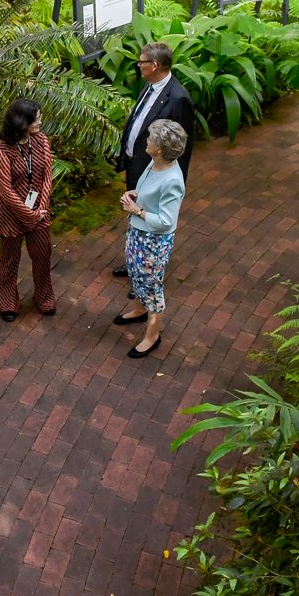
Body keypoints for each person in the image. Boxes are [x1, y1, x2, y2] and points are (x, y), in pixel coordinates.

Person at [111, 41, 194, 278]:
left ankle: (146, 273)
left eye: (142, 62)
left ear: (155, 65)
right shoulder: (150, 84)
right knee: (135, 215)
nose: (138, 65)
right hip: (136, 164)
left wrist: (175, 181)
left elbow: (183, 146)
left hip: (155, 172)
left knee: (149, 220)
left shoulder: (179, 99)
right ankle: (134, 262)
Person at [113, 119, 188, 358]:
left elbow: (166, 221)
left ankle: (152, 336)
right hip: (138, 232)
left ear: (161, 148)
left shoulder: (173, 180)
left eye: (151, 139)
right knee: (135, 274)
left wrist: (136, 210)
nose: (147, 140)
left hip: (153, 241)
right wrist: (134, 194)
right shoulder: (154, 162)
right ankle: (138, 311)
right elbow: (146, 187)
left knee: (152, 286)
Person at [0, 99, 55, 321]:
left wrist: (41, 207)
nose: (40, 121)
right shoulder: (3, 150)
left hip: (39, 211)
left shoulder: (41, 141)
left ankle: (44, 296)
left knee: (42, 255)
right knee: (9, 260)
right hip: (12, 215)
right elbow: (6, 190)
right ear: (22, 122)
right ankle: (8, 301)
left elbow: (47, 175)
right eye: (35, 118)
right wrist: (29, 213)